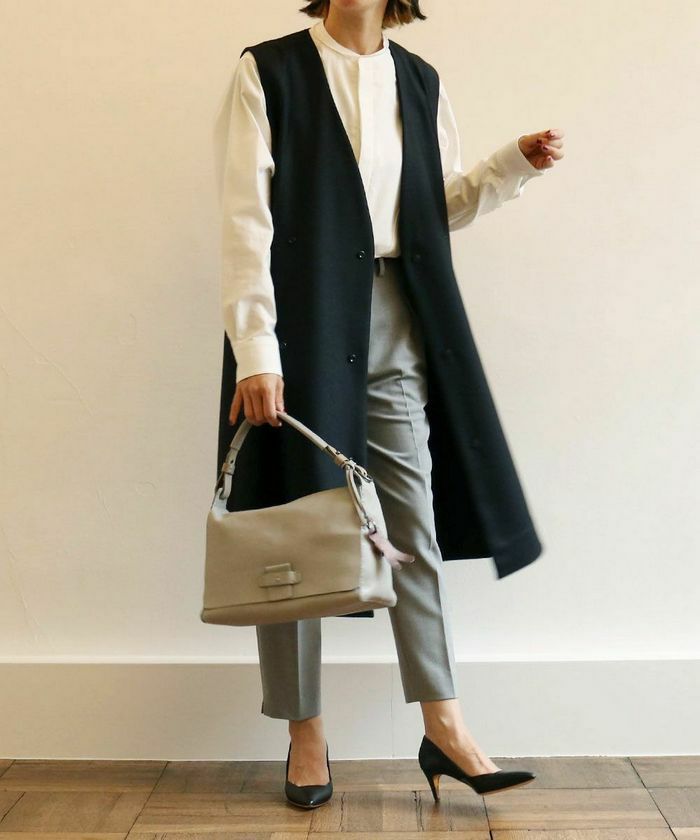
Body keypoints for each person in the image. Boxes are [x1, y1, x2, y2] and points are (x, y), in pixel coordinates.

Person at [216, 0, 563, 809]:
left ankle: (445, 725)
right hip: (301, 324)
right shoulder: (268, 70)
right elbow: (244, 217)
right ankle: (305, 732)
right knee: (295, 531)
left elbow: (430, 208)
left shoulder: (419, 80)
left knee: (413, 527)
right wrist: (256, 349)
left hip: (397, 317)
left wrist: (507, 166)